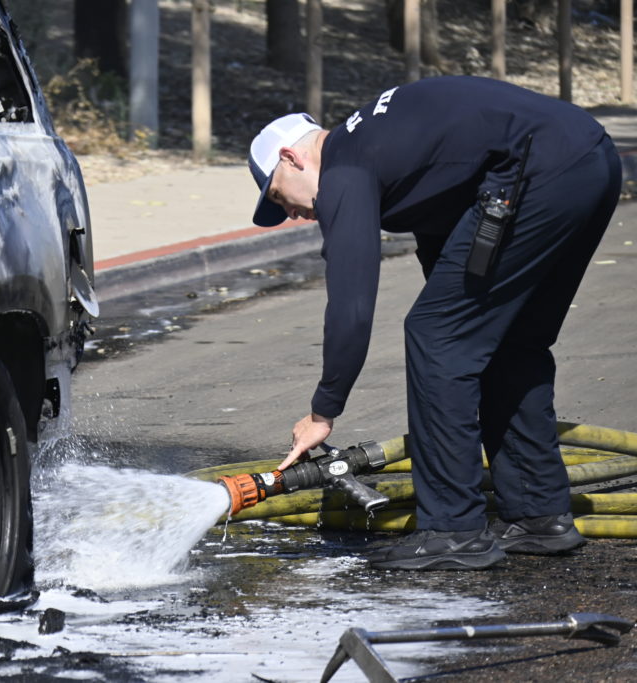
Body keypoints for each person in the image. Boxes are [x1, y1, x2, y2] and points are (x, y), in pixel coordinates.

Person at [247, 76, 621, 570]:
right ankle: (538, 516)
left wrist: (323, 410)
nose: (292, 213)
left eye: (279, 196)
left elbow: (352, 305)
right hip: (590, 158)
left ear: (292, 158)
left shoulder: (345, 166)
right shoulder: (383, 143)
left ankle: (453, 531)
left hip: (537, 168)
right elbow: (445, 247)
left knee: (436, 339)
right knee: (509, 341)